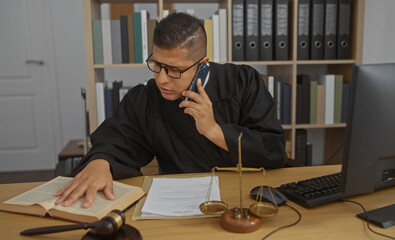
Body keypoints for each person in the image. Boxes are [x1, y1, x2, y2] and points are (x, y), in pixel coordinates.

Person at [54, 12, 288, 208]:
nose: (162, 80)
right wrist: (100, 163)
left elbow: (273, 149)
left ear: (202, 65)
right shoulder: (146, 99)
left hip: (245, 199)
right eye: (157, 65)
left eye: (174, 70)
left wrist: (214, 131)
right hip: (179, 203)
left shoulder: (243, 82)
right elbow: (117, 141)